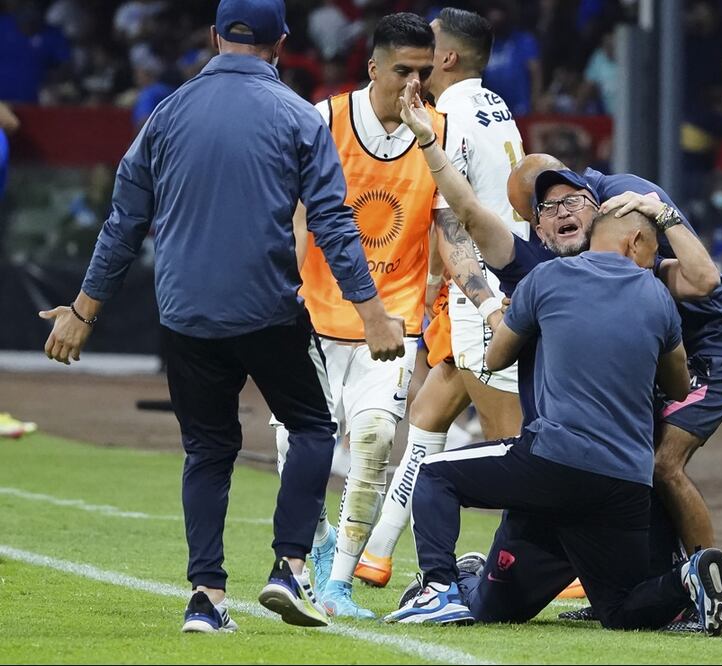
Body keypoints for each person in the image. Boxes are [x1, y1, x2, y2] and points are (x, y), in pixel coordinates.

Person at [37, 0, 406, 633]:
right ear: (281, 43)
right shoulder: (297, 114)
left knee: (207, 449)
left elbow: (124, 223)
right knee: (313, 427)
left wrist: (82, 313)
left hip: (185, 317)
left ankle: (206, 599)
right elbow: (333, 223)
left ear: (214, 37)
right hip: (266, 309)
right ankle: (289, 567)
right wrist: (372, 314)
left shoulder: (165, 114)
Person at [396, 80, 722, 625]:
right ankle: (686, 580)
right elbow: (469, 212)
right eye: (546, 208)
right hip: (613, 487)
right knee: (607, 606)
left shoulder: (580, 272)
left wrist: (499, 320)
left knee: (439, 474)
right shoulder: (625, 282)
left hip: (555, 464)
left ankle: (442, 586)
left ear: (598, 209)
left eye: (570, 200)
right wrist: (431, 146)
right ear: (536, 228)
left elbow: (703, 282)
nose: (560, 210)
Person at [272, 12, 503, 619]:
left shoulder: (441, 131)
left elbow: (450, 227)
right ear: (372, 68)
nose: (413, 87)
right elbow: (299, 213)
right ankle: (319, 546)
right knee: (296, 453)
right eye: (402, 71)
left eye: (423, 74)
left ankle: (341, 585)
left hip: (392, 322)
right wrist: (286, 288)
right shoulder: (325, 119)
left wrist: (485, 298)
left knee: (373, 440)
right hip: (314, 315)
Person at [356, 6, 526, 589]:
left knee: (514, 442)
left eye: (428, 44)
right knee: (427, 418)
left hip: (483, 298)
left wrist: (435, 288)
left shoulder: (440, 114)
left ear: (445, 58)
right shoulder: (494, 105)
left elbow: (447, 216)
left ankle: (556, 560)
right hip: (497, 284)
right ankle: (376, 553)